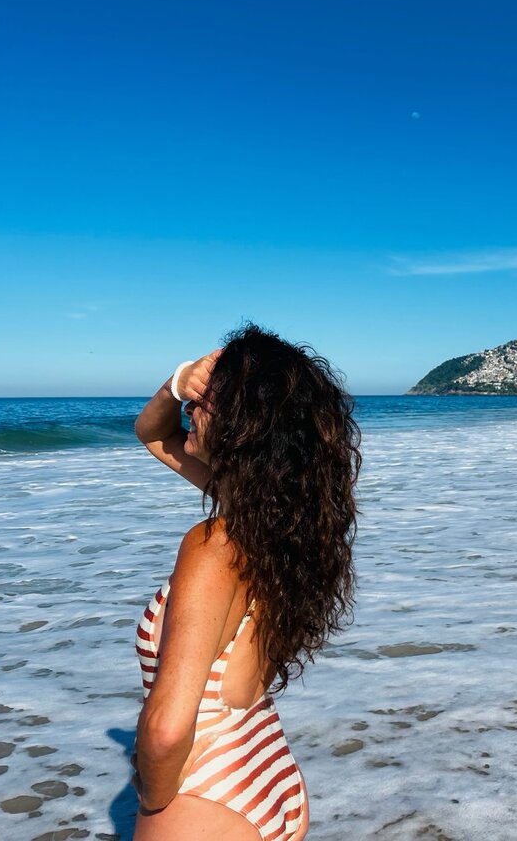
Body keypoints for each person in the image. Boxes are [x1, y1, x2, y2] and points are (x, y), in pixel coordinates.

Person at [131, 324, 361, 840]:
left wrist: (151, 803)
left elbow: (166, 731)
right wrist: (178, 383)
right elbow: (153, 433)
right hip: (268, 772)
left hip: (207, 798)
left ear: (244, 424)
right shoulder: (284, 524)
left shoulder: (215, 545)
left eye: (206, 402)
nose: (191, 409)